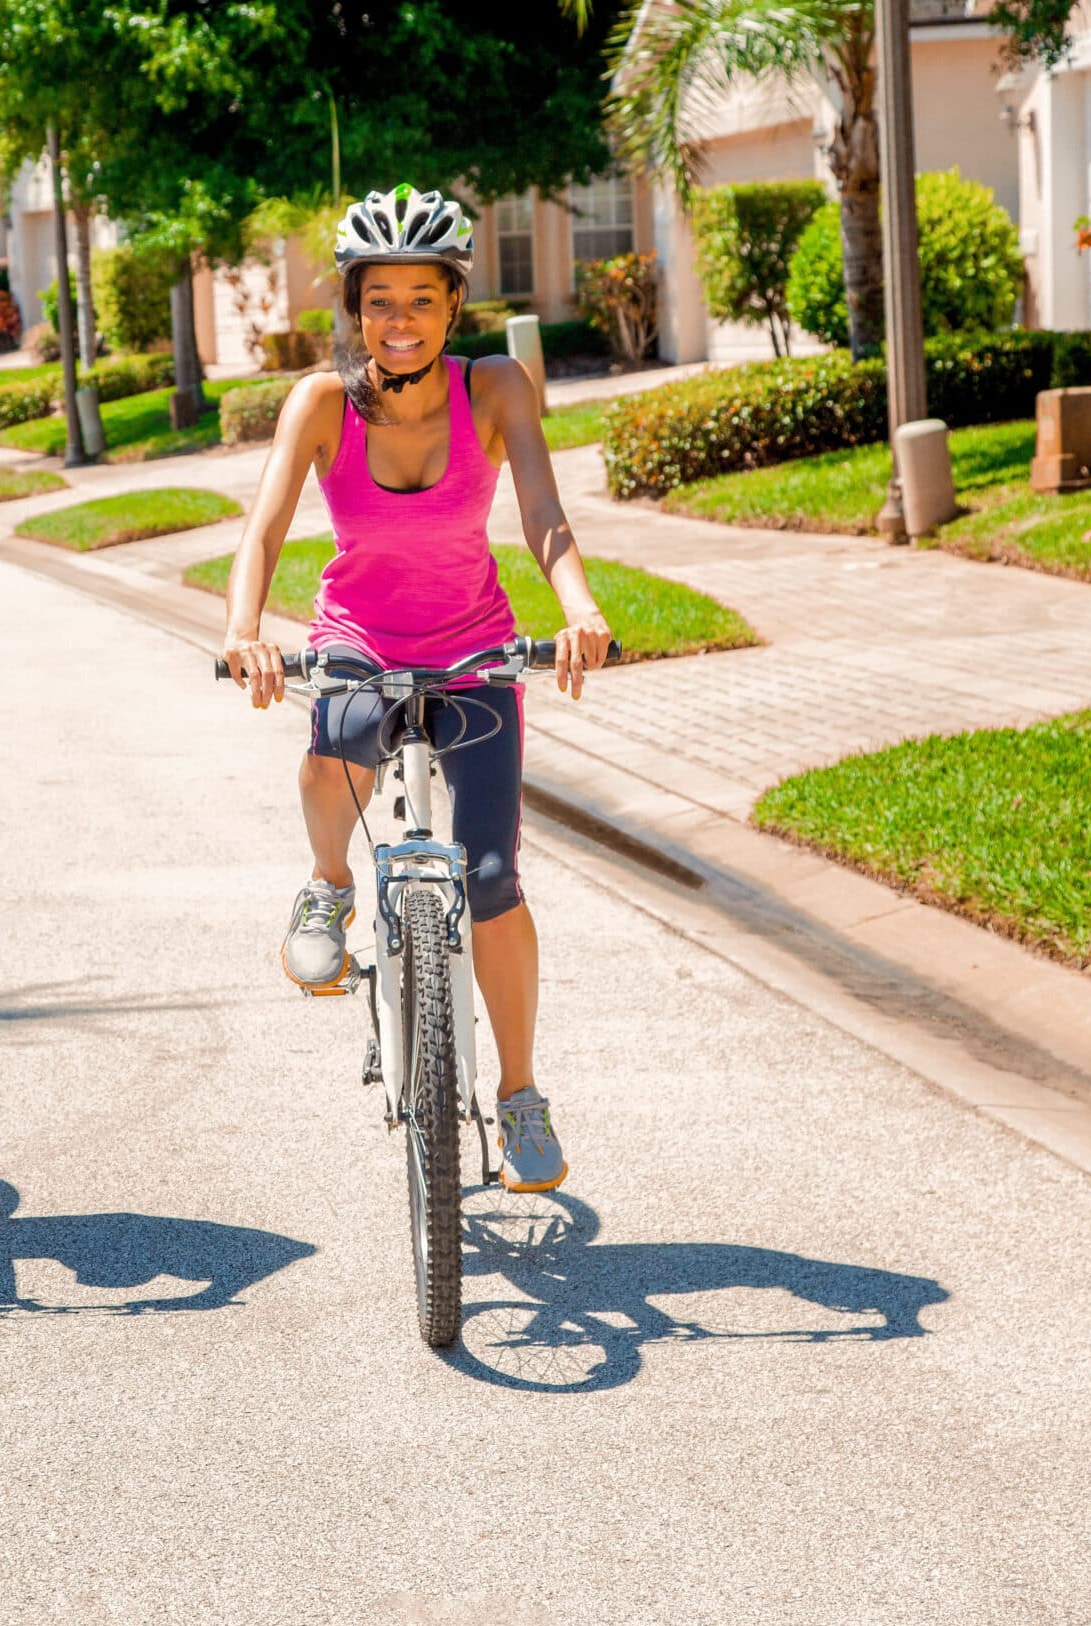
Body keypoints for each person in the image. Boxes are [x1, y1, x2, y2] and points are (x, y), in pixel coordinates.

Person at [220, 184, 612, 1193]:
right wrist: (242, 631)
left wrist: (578, 608)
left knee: (490, 875)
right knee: (334, 748)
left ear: (453, 305)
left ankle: (519, 1095)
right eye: (379, 299)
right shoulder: (318, 402)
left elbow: (545, 515)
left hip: (473, 647)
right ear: (353, 307)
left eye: (422, 299)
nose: (399, 321)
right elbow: (263, 530)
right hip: (358, 638)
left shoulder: (497, 389)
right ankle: (330, 883)